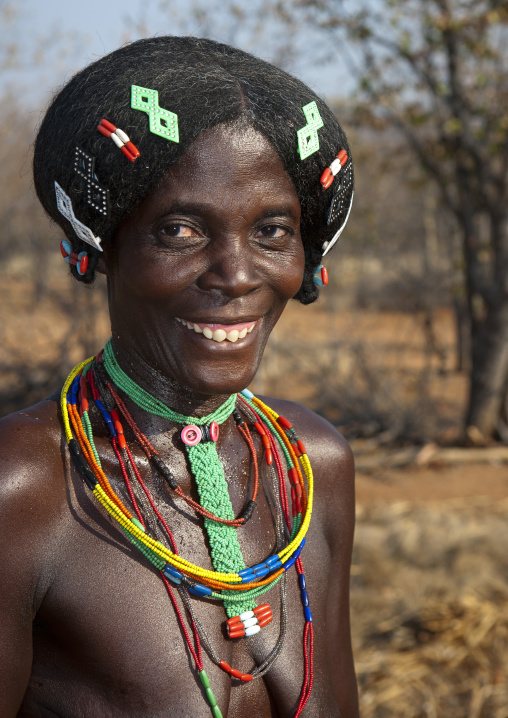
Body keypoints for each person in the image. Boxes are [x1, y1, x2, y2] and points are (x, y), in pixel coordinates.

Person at [0, 36, 358, 717]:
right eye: (180, 231)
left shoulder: (313, 465)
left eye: (273, 231)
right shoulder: (23, 489)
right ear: (100, 243)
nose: (237, 274)